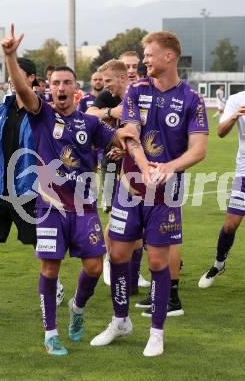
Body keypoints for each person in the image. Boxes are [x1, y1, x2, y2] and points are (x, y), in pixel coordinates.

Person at [1, 24, 136, 356]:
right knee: (50, 268)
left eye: (66, 83)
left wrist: (128, 142)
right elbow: (21, 88)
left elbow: (116, 141)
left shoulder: (90, 123)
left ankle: (77, 308)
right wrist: (10, 55)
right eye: (55, 83)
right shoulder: (41, 113)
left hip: (84, 207)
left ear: (77, 89)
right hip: (49, 207)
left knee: (92, 267)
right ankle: (50, 334)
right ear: (49, 88)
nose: (60, 87)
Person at [91, 31, 208, 357]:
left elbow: (199, 149)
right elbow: (129, 135)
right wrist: (144, 166)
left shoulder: (192, 99)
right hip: (129, 188)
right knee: (117, 256)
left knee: (158, 261)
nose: (143, 61)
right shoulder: (136, 91)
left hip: (166, 193)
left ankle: (156, 332)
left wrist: (168, 167)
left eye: (149, 55)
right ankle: (120, 320)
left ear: (169, 57)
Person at [0, 58, 64, 317]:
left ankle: (56, 285)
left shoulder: (41, 112)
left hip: (29, 187)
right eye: (9, 74)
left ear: (31, 79)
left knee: (37, 241)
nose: (10, 79)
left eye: (16, 74)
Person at [87, 51, 150, 292]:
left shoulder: (145, 92)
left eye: (136, 65)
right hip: (115, 164)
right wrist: (111, 112)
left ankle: (133, 275)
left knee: (138, 223)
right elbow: (89, 114)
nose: (133, 69)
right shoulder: (109, 95)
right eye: (129, 65)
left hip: (133, 161)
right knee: (117, 216)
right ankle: (109, 261)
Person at [198, 91, 245, 288]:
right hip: (244, 172)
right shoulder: (237, 99)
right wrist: (235, 116)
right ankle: (219, 263)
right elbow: (220, 131)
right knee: (230, 225)